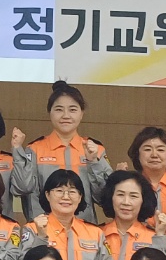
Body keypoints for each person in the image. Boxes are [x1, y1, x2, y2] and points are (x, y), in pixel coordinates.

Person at [14, 82, 111, 222]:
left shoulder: (95, 149)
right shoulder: (35, 149)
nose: (66, 115)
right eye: (59, 109)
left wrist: (94, 162)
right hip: (44, 229)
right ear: (50, 112)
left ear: (82, 113)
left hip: (84, 230)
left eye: (73, 110)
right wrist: (17, 150)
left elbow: (104, 197)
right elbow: (22, 188)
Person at [100, 170, 166, 260]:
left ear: (143, 200)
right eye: (120, 195)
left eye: (133, 196)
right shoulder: (96, 235)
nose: (126, 202)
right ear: (111, 197)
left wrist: (160, 236)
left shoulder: (155, 238)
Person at [125, 126, 166, 215]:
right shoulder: (128, 184)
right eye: (147, 149)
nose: (154, 155)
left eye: (160, 150)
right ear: (137, 154)